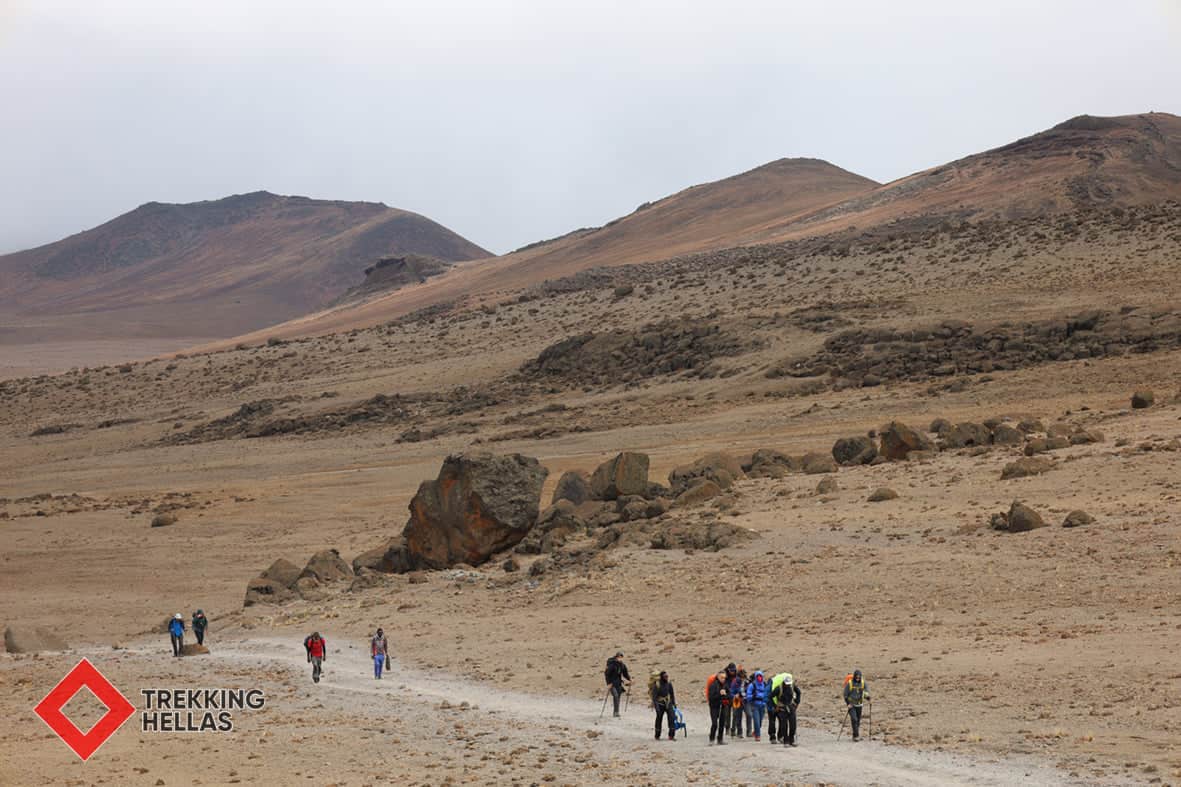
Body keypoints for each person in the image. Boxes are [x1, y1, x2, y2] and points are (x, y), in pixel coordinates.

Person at [771, 673, 801, 746]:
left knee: (793, 725)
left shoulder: (792, 686)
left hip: (791, 707)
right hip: (782, 709)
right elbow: (770, 696)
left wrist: (797, 702)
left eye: (789, 684)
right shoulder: (778, 688)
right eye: (787, 684)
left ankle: (792, 740)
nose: (788, 685)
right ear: (784, 682)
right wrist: (775, 706)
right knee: (784, 726)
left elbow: (799, 692)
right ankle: (786, 741)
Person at [844, 669, 871, 741]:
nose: (857, 679)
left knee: (858, 720)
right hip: (851, 704)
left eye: (859, 677)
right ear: (854, 677)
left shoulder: (863, 683)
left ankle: (854, 735)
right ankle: (856, 736)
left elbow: (866, 692)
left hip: (859, 704)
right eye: (856, 677)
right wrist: (848, 703)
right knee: (854, 719)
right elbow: (845, 695)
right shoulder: (849, 683)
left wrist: (868, 698)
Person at [651, 671, 677, 740]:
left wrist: (674, 704)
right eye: (665, 676)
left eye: (667, 676)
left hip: (668, 703)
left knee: (672, 718)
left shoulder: (669, 684)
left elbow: (672, 694)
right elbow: (654, 697)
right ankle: (657, 735)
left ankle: (671, 735)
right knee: (659, 719)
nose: (666, 678)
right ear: (662, 677)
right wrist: (656, 707)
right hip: (660, 704)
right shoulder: (657, 685)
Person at [604, 651, 631, 718]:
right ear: (616, 657)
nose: (620, 658)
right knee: (615, 696)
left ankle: (616, 712)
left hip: (618, 683)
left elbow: (625, 673)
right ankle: (616, 712)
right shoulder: (612, 665)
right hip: (612, 683)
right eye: (619, 657)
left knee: (618, 697)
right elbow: (607, 674)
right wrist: (608, 683)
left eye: (621, 657)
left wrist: (630, 679)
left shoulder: (622, 665)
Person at [707, 670, 731, 745]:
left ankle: (720, 739)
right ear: (718, 677)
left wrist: (725, 695)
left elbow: (730, 696)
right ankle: (711, 739)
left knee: (722, 723)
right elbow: (711, 697)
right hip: (714, 707)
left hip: (723, 706)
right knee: (714, 723)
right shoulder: (713, 685)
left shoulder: (726, 685)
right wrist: (719, 694)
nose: (723, 679)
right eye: (721, 677)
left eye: (724, 678)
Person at [745, 670, 770, 741]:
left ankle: (755, 731)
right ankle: (757, 736)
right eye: (758, 676)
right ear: (755, 677)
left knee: (760, 722)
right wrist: (753, 696)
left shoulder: (765, 685)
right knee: (756, 721)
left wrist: (766, 700)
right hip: (754, 705)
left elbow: (767, 694)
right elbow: (748, 696)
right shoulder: (752, 685)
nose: (759, 678)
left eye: (761, 676)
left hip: (762, 706)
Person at [767, 672, 789, 743]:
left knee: (776, 721)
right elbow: (769, 697)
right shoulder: (776, 686)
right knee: (776, 721)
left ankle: (775, 737)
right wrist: (774, 706)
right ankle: (775, 737)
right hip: (772, 705)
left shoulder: (778, 686)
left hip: (778, 705)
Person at [729, 666, 748, 738]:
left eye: (744, 675)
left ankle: (739, 732)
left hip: (744, 700)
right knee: (736, 715)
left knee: (740, 716)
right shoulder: (735, 681)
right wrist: (734, 695)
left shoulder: (747, 681)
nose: (743, 677)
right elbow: (731, 691)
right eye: (742, 676)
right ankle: (734, 731)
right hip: (736, 700)